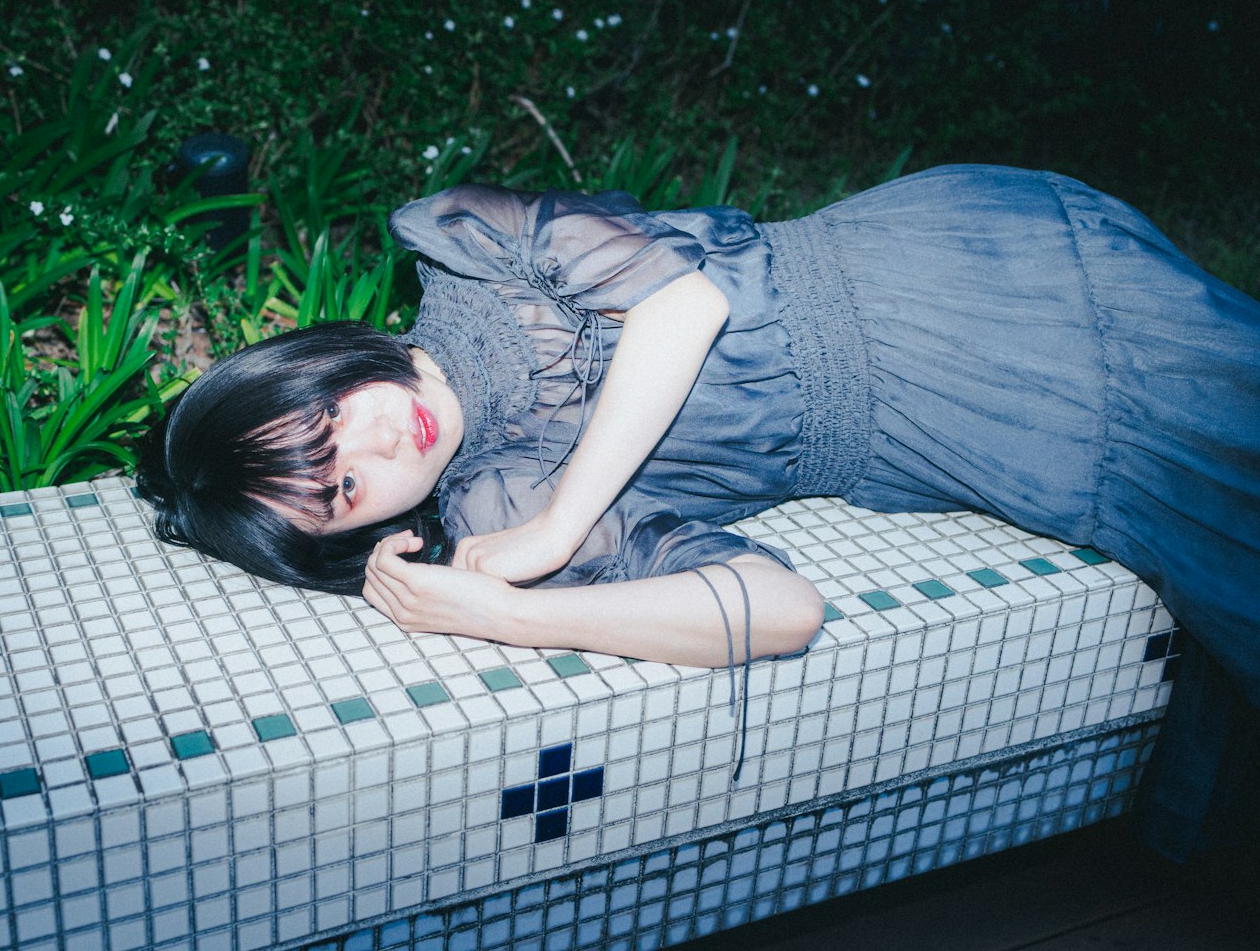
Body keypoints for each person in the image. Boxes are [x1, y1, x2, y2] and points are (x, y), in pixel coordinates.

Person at [137, 164, 1260, 858]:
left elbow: (682, 301)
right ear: (357, 536)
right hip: (971, 418)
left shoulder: (468, 246)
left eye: (335, 419)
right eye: (340, 490)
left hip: (956, 257)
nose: (378, 446)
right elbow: (780, 607)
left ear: (325, 362)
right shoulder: (496, 498)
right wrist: (508, 612)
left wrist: (560, 532)